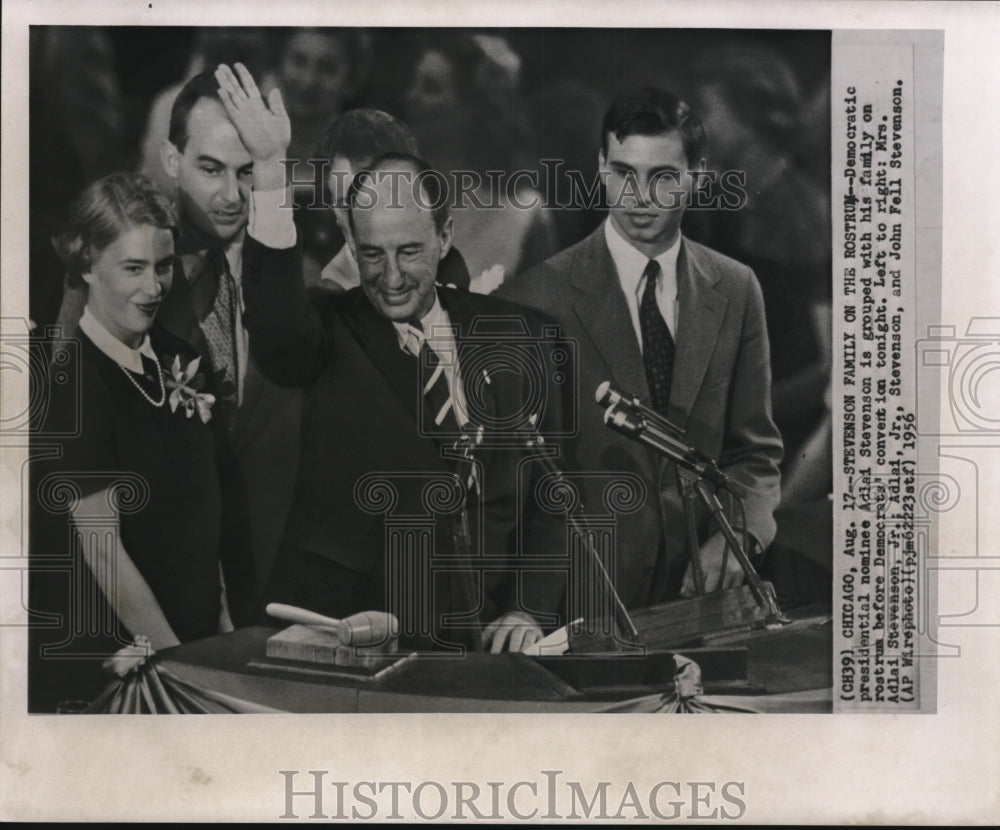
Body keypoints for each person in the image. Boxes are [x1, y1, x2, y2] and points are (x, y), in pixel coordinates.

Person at [216, 63, 569, 652]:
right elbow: (277, 330)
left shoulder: (522, 335)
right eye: (372, 254)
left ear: (446, 236)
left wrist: (528, 611)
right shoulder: (328, 330)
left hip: (483, 644)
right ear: (351, 244)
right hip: (356, 635)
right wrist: (273, 171)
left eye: (410, 251)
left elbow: (551, 492)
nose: (393, 276)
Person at [498, 87, 783, 610]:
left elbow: (755, 455)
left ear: (697, 174)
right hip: (579, 605)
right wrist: (524, 608)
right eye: (624, 174)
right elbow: (513, 484)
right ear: (601, 167)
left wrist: (740, 535)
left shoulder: (737, 288)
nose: (640, 198)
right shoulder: (534, 299)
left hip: (703, 601)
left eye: (663, 177)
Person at [29, 172, 231, 712]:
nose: (154, 288)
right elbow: (103, 551)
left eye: (163, 267)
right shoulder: (74, 383)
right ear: (88, 265)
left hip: (198, 643)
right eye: (134, 268)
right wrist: (184, 672)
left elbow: (202, 510)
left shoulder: (172, 354)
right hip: (128, 661)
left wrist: (222, 628)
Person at [302, 108, 472, 293]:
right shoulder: (331, 298)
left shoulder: (448, 266)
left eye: (375, 201)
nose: (361, 222)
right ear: (333, 211)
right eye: (345, 205)